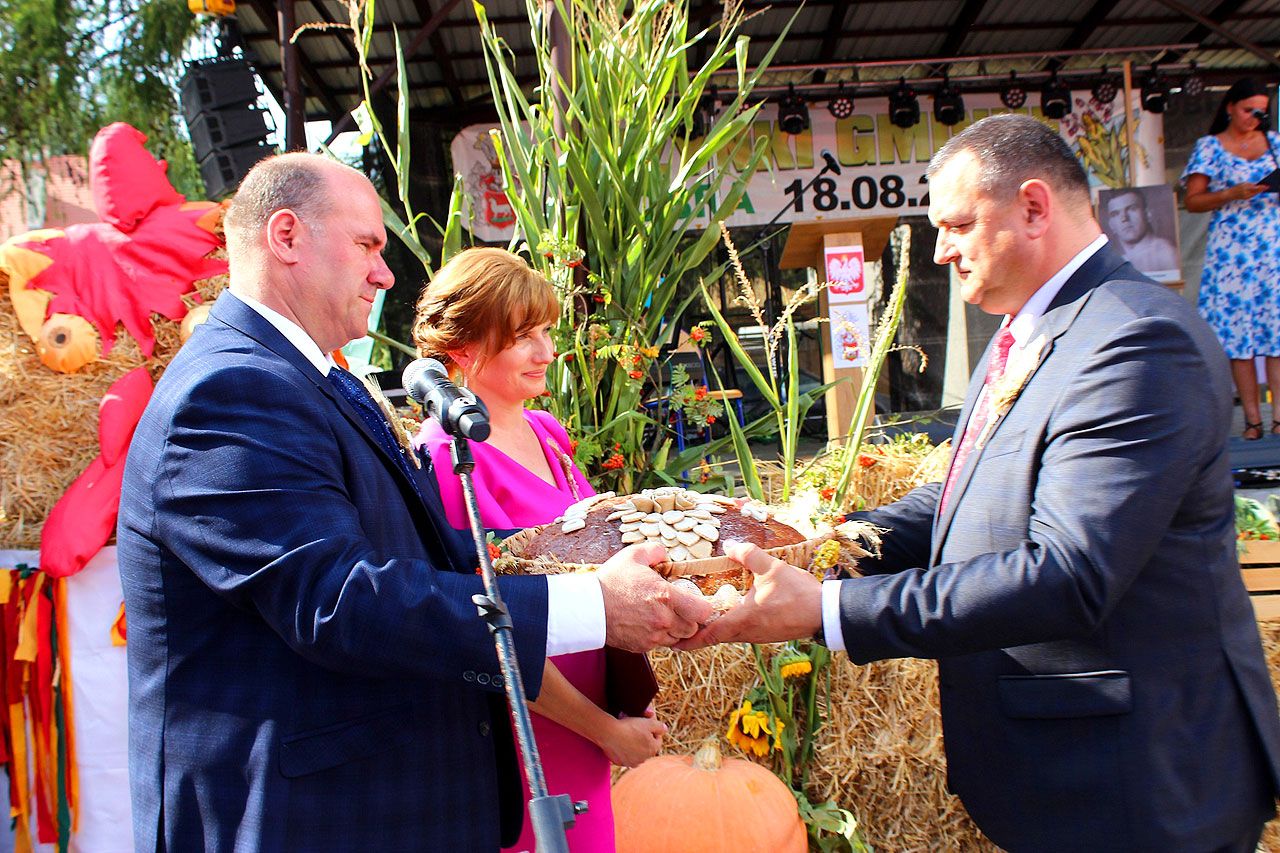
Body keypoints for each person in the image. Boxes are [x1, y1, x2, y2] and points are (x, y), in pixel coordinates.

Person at [682, 114, 1280, 852]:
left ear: (1034, 207)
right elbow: (964, 494)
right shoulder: (1034, 325)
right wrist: (820, 543)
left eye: (958, 224)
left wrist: (829, 609)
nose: (940, 250)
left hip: (1138, 778)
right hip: (1069, 770)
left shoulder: (1134, 340)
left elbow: (1068, 573)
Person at [116, 153, 711, 852]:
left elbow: (423, 555)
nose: (385, 274)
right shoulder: (232, 390)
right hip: (302, 817)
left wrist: (596, 571)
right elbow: (336, 599)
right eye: (367, 245)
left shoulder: (304, 378)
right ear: (287, 236)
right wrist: (591, 605)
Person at [413, 247, 664, 852]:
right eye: (524, 336)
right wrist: (604, 731)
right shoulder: (450, 457)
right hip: (532, 727)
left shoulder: (547, 432)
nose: (547, 352)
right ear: (464, 348)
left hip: (592, 707)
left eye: (547, 332)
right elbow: (487, 627)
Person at [1183, 77, 1280, 439]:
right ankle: (1253, 419)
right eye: (1248, 110)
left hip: (1272, 250)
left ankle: (1279, 417)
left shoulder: (1275, 143)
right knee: (1239, 340)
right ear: (1229, 108)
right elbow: (1193, 201)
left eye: (1262, 112)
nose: (1255, 117)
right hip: (1232, 254)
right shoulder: (1210, 146)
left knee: (1276, 337)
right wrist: (1231, 194)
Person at [1102, 188, 1178, 275]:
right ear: (1111, 225)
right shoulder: (1115, 262)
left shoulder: (1166, 254)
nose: (1124, 218)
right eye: (1115, 214)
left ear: (1148, 214)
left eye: (1132, 209)